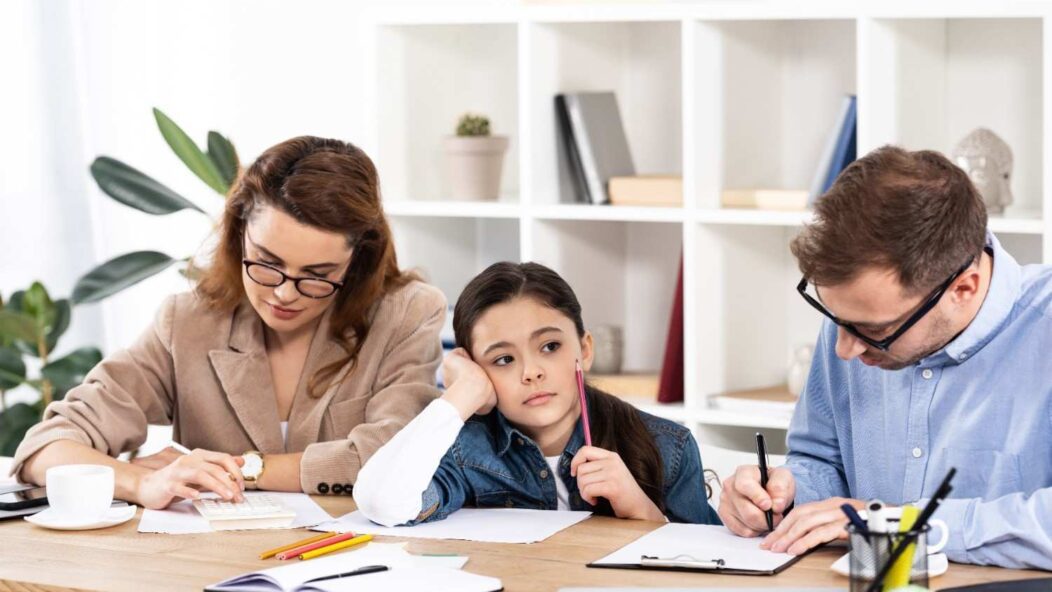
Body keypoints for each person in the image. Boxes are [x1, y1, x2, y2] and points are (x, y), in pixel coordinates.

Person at [11, 136, 446, 510]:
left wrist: (239, 469)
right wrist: (141, 482)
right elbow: (46, 447)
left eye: (316, 275)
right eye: (266, 263)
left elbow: (396, 460)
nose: (284, 293)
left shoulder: (406, 314)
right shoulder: (187, 322)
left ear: (357, 261)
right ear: (239, 234)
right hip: (210, 562)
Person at [718, 146, 1052, 569]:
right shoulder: (857, 318)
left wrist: (906, 526)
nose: (844, 349)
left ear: (963, 288)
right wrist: (784, 493)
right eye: (834, 318)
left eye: (874, 331)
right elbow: (821, 460)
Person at [353, 261, 720, 526]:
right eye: (503, 359)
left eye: (549, 347)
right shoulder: (466, 451)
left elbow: (711, 572)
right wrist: (462, 394)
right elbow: (381, 502)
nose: (532, 372)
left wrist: (640, 510)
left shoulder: (667, 445)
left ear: (585, 349)